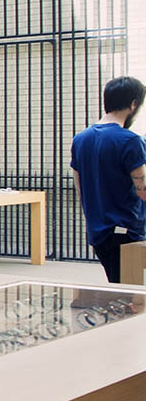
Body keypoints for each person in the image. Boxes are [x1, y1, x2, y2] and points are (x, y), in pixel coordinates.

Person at [71, 76, 146, 282]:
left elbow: (80, 189)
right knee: (130, 293)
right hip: (127, 232)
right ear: (133, 104)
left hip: (98, 231)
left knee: (118, 285)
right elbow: (143, 190)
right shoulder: (130, 141)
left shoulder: (80, 139)